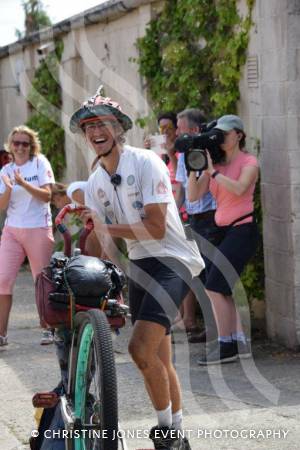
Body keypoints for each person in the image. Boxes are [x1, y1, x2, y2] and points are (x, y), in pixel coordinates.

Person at [69, 87, 204, 449]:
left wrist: (106, 226)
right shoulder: (96, 181)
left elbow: (156, 227)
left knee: (139, 350)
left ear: (118, 129)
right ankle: (176, 434)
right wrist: (90, 228)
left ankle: (165, 435)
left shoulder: (146, 162)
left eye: (103, 124)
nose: (96, 131)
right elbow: (102, 244)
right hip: (141, 265)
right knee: (159, 358)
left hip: (173, 259)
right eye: (89, 126)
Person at [187, 114, 259, 364]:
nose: (221, 138)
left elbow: (240, 188)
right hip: (225, 232)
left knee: (214, 286)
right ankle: (238, 342)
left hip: (243, 230)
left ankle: (226, 345)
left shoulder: (249, 161)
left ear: (238, 135)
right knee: (222, 288)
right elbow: (194, 196)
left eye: (225, 134)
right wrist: (194, 168)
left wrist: (212, 173)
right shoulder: (215, 165)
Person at [0, 125, 55, 346]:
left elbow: (47, 196)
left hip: (37, 227)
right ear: (10, 146)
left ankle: (48, 329)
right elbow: (2, 207)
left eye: (25, 143)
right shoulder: (5, 171)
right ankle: (1, 334)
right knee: (3, 280)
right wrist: (10, 189)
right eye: (17, 143)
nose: (21, 147)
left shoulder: (39, 163)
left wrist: (23, 184)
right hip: (12, 229)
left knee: (41, 281)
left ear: (31, 146)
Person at [174, 108, 218, 343]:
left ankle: (218, 329)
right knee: (197, 273)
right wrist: (171, 215)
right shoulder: (183, 154)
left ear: (193, 129)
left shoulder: (211, 150)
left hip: (210, 218)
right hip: (192, 219)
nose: (177, 132)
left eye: (180, 128)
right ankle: (210, 326)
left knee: (212, 275)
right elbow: (181, 190)